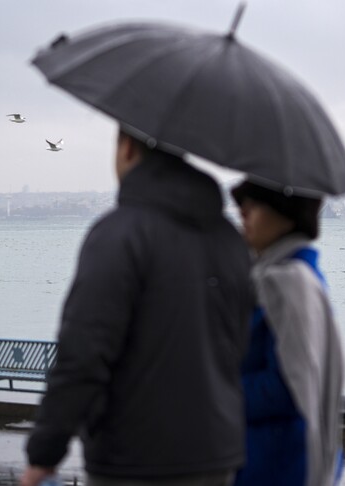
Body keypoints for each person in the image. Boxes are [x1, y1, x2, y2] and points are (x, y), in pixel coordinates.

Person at [21, 127, 253, 486]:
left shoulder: (118, 235)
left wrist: (44, 453)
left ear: (127, 148)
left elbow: (83, 354)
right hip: (217, 455)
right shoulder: (229, 239)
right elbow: (238, 344)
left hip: (133, 457)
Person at [230, 180, 345, 486]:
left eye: (256, 203)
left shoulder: (285, 282)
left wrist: (215, 392)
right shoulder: (282, 276)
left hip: (277, 463)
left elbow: (289, 386)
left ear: (287, 213)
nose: (243, 212)